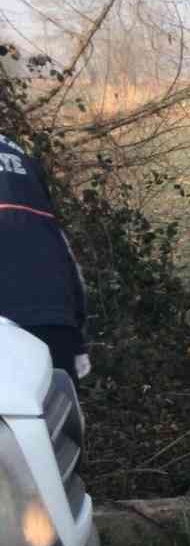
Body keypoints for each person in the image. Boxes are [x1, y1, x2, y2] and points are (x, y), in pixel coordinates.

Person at [0, 132, 89, 385]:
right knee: (54, 418)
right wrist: (77, 336)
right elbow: (59, 243)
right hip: (53, 314)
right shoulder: (21, 156)